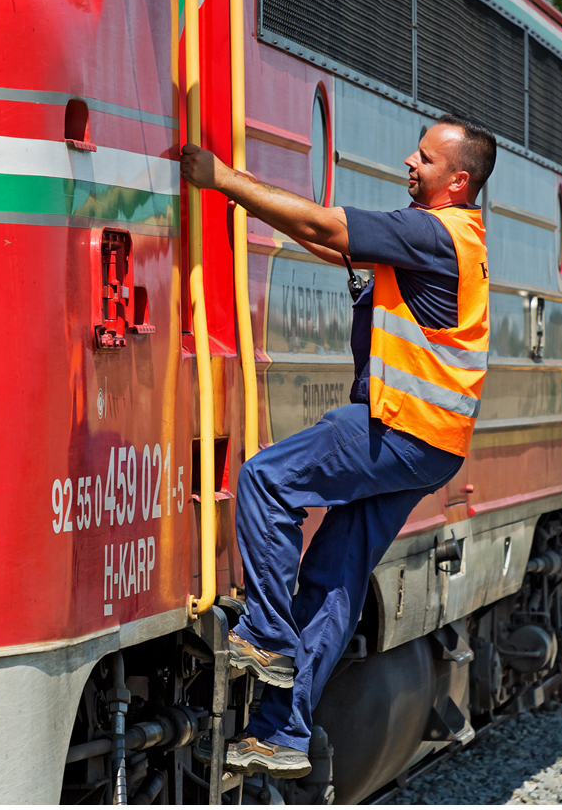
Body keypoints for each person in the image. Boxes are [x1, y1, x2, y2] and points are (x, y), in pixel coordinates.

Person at [179, 112, 496, 778]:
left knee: (267, 481)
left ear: (457, 180)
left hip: (395, 423)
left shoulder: (432, 231)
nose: (410, 164)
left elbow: (328, 227)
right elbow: (330, 242)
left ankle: (265, 634)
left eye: (425, 160)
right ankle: (282, 734)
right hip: (433, 442)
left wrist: (224, 181)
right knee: (333, 580)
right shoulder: (452, 235)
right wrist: (246, 201)